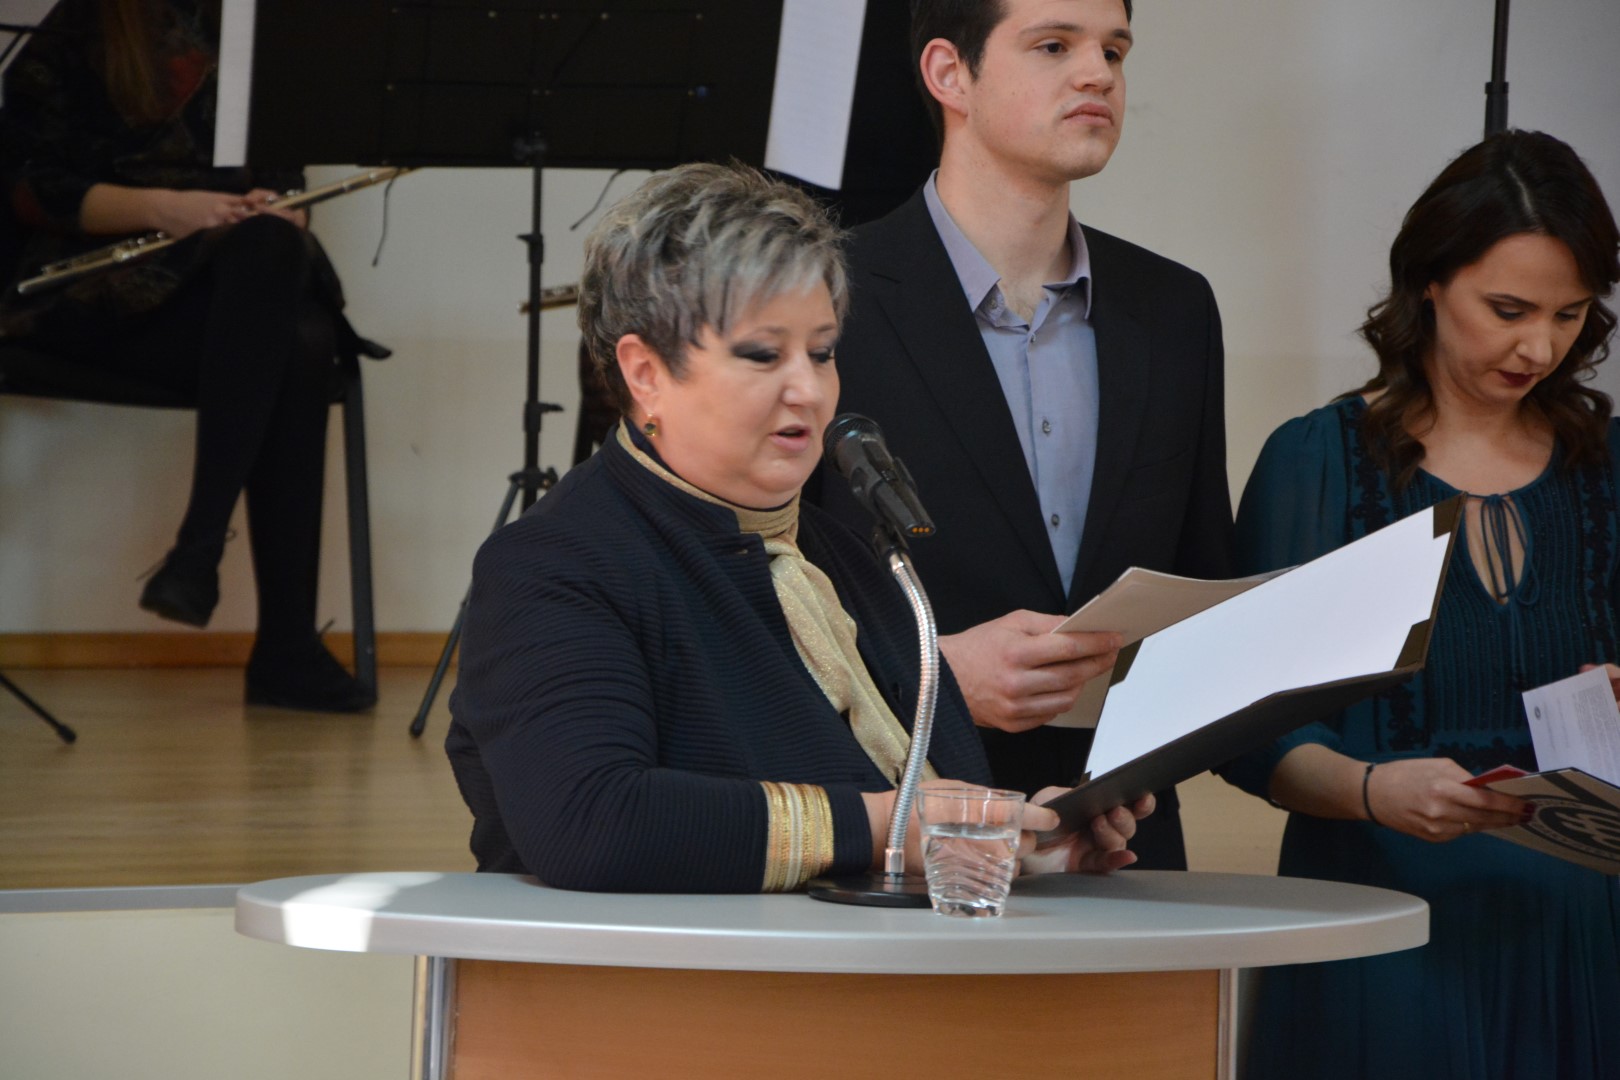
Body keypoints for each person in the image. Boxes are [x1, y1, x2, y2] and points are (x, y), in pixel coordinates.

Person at [445, 162, 1152, 892]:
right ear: (645, 373)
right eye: (763, 355)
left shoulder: (849, 558)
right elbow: (589, 820)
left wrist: (1019, 842)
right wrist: (886, 828)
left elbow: (902, 814)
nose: (809, 390)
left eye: (822, 352)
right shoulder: (555, 564)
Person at [1220, 131, 1620, 1079]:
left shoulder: (1606, 468)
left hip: (1579, 934)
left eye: (1569, 315)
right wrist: (1370, 790)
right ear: (1429, 281)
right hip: (1380, 927)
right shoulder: (1318, 462)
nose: (1540, 347)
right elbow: (1243, 730)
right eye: (1508, 310)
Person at [813, 0, 1234, 869]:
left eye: (1114, 50)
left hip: (1121, 838)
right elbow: (754, 593)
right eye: (1053, 45)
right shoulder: (825, 298)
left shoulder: (1175, 309)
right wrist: (930, 674)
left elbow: (1203, 577)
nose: (1098, 74)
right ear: (949, 74)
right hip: (896, 838)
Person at [0, 0, 374, 711]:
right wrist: (168, 209)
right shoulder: (84, 20)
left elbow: (290, 192)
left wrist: (277, 212)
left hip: (228, 300)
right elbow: (27, 186)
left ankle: (201, 555)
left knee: (288, 291)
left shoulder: (264, 33)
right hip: (88, 293)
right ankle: (280, 642)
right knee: (299, 342)